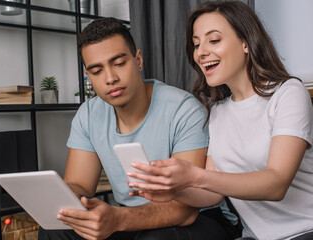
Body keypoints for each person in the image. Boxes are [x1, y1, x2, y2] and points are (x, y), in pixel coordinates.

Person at [127, 1, 313, 240]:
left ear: (246, 43)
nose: (200, 52)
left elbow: (276, 183)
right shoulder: (218, 111)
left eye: (213, 40)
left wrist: (194, 176)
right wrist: (173, 191)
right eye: (196, 44)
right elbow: (212, 195)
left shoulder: (288, 93)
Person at [38, 17, 237, 240]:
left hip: (200, 218)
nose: (110, 78)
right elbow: (79, 184)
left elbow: (185, 209)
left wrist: (117, 219)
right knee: (54, 231)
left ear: (138, 60)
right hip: (130, 218)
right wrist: (67, 204)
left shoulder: (184, 110)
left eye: (119, 63)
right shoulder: (89, 114)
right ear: (88, 76)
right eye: (97, 71)